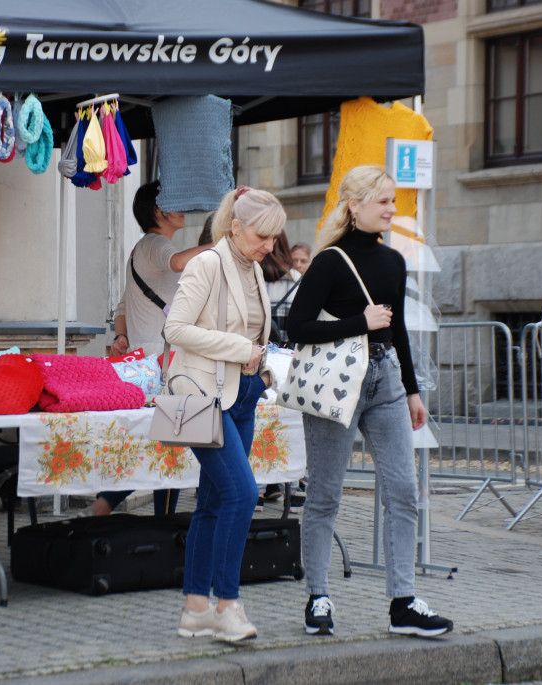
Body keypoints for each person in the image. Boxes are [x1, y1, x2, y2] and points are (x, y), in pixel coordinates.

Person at [286, 165, 453, 639]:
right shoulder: (329, 262)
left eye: (393, 201)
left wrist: (414, 390)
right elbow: (296, 329)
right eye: (383, 201)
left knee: (403, 490)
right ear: (354, 206)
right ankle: (318, 596)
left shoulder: (394, 262)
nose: (392, 209)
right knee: (324, 494)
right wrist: (358, 321)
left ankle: (403, 603)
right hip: (338, 384)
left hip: (387, 385)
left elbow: (396, 327)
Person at [166, 185, 285, 643]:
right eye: (263, 236)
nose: (269, 246)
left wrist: (264, 363)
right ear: (235, 227)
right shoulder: (207, 263)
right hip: (203, 395)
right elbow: (175, 328)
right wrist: (242, 348)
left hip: (243, 394)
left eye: (275, 238)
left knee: (216, 501)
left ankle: (195, 610)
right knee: (242, 494)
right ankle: (226, 605)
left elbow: (252, 334)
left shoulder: (252, 267)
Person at [92, 181, 211, 518]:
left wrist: (122, 336)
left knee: (158, 444)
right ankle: (164, 525)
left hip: (149, 363)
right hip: (165, 365)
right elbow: (176, 263)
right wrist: (223, 244)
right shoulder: (157, 244)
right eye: (177, 202)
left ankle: (105, 505)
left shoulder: (140, 250)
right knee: (173, 446)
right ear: (159, 212)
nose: (183, 209)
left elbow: (122, 307)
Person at [257, 231, 303, 511]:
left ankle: (258, 491)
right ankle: (294, 487)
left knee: (257, 422)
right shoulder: (298, 280)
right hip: (290, 365)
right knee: (291, 424)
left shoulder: (252, 277)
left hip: (259, 364)